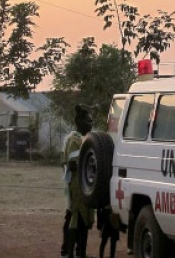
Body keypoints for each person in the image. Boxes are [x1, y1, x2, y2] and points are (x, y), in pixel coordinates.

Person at [62, 105, 95, 258]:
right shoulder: (74, 140)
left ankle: (80, 252)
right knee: (75, 219)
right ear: (80, 122)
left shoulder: (82, 139)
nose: (91, 124)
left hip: (82, 184)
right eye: (88, 121)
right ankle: (70, 252)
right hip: (76, 184)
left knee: (82, 220)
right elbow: (73, 165)